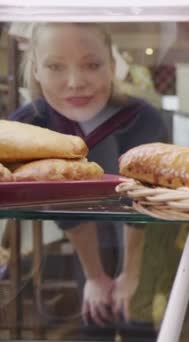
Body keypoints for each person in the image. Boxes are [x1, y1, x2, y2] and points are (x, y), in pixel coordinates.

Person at [9, 22, 168, 341]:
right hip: (80, 240)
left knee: (136, 319)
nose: (75, 82)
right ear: (36, 70)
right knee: (95, 319)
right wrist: (95, 276)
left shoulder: (143, 119)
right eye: (55, 66)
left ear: (111, 65)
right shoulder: (28, 126)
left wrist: (131, 273)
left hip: (147, 238)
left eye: (92, 65)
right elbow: (63, 204)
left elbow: (142, 205)